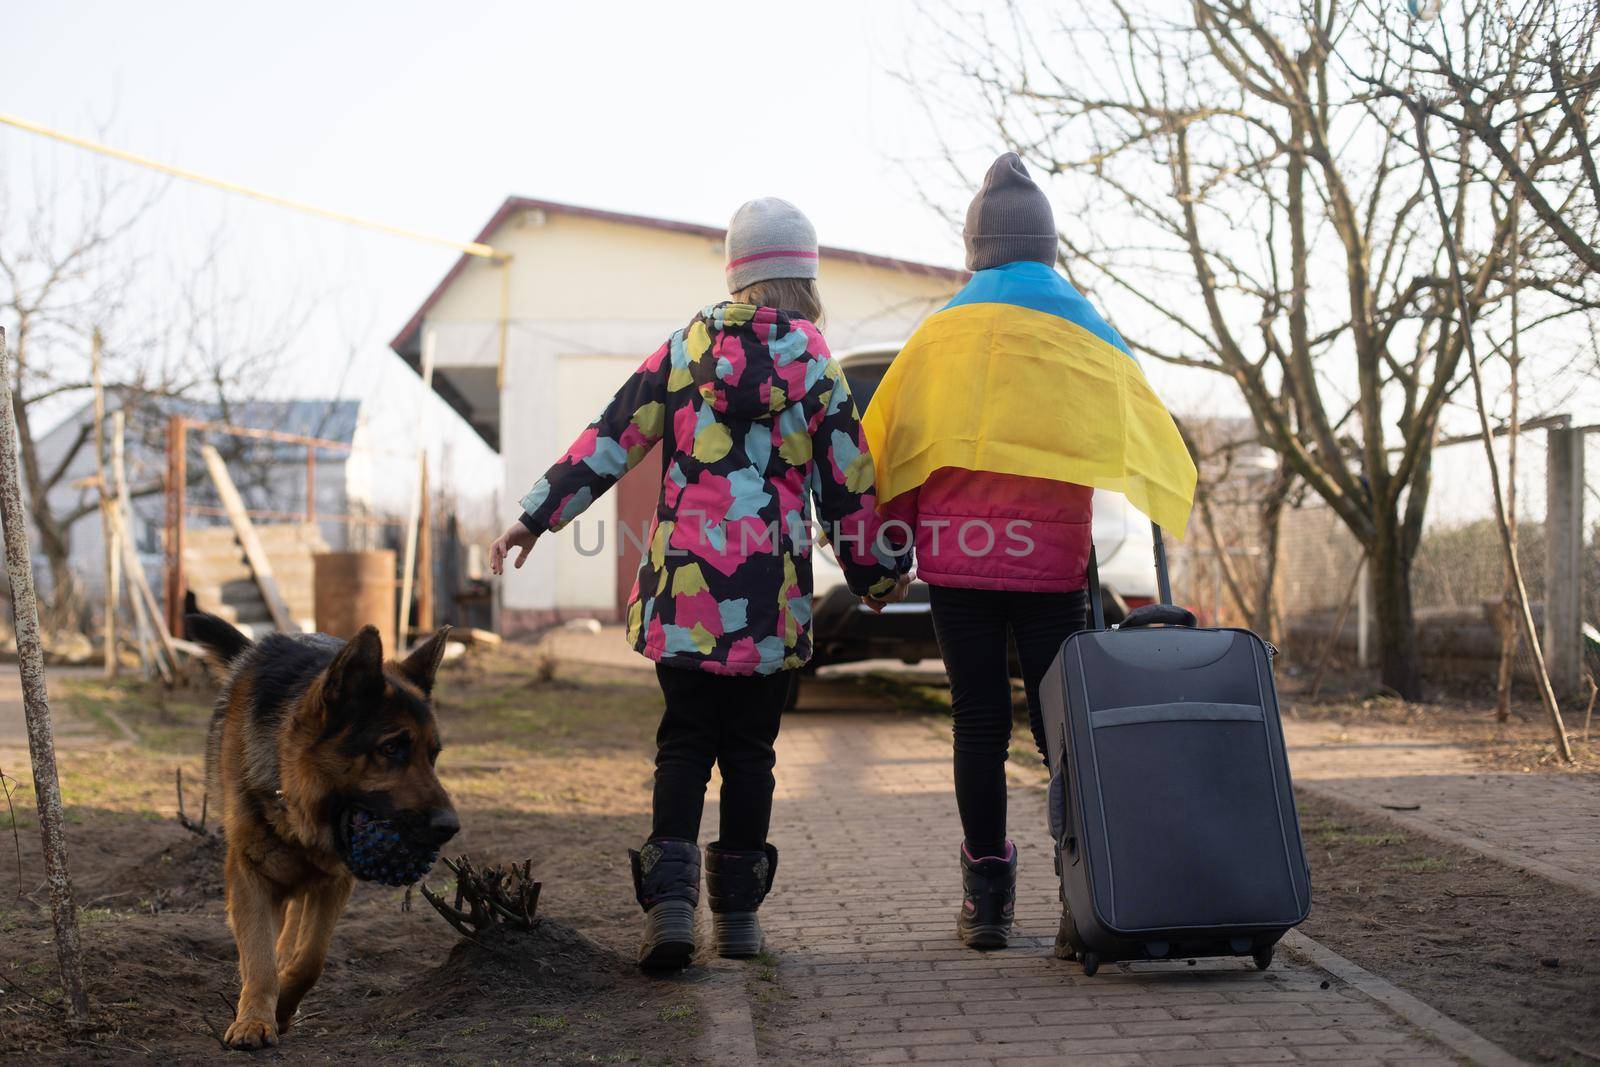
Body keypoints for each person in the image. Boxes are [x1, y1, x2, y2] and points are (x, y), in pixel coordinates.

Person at [490, 197, 911, 971]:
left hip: (686, 598)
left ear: (738, 274)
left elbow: (613, 435)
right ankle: (740, 918)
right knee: (751, 752)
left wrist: (537, 516)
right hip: (770, 605)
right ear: (804, 278)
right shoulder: (817, 365)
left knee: (683, 747)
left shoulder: (685, 350)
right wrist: (876, 572)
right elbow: (848, 481)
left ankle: (672, 913)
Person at [862, 153, 1195, 950]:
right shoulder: (1086, 329)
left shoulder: (939, 334)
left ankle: (987, 898)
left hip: (958, 558)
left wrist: (886, 547)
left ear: (976, 247)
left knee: (977, 721)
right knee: (1062, 729)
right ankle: (1091, 891)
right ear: (1047, 247)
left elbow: (893, 442)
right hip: (1051, 565)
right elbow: (1145, 428)